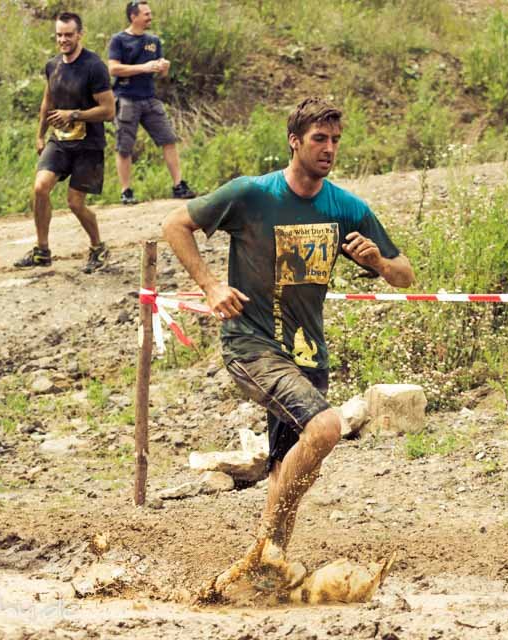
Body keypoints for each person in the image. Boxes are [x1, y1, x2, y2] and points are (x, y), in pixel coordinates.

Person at [162, 97, 414, 598]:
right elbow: (175, 224)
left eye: (336, 140)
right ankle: (269, 552)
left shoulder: (346, 208)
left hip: (307, 355)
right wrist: (211, 285)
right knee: (326, 427)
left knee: (289, 469)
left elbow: (405, 273)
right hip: (251, 345)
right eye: (319, 139)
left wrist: (379, 264)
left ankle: (262, 571)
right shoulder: (253, 194)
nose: (329, 149)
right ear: (294, 141)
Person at [15, 11, 115, 273]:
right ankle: (42, 250)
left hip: (88, 144)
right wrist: (39, 134)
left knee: (75, 202)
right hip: (59, 141)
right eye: (59, 35)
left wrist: (74, 114)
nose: (63, 40)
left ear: (80, 34)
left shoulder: (94, 67)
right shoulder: (53, 65)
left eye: (69, 35)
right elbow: (47, 102)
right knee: (40, 188)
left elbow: (109, 110)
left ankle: (97, 247)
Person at [108, 0, 195, 205]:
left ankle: (178, 185)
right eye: (146, 14)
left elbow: (160, 75)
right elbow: (113, 69)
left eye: (150, 13)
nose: (150, 17)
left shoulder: (154, 40)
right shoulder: (119, 40)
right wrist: (144, 67)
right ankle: (126, 191)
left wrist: (163, 67)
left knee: (168, 139)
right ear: (133, 16)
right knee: (124, 147)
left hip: (150, 98)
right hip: (126, 99)